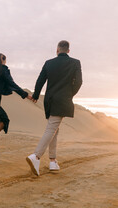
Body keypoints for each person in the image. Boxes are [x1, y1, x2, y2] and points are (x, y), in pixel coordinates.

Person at [26, 40, 82, 176]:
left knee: (54, 129)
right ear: (68, 51)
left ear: (57, 50)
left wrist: (36, 95)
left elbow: (40, 80)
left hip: (49, 100)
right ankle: (36, 156)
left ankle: (52, 161)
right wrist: (69, 95)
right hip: (63, 100)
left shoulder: (49, 63)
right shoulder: (75, 63)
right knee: (51, 128)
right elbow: (79, 82)